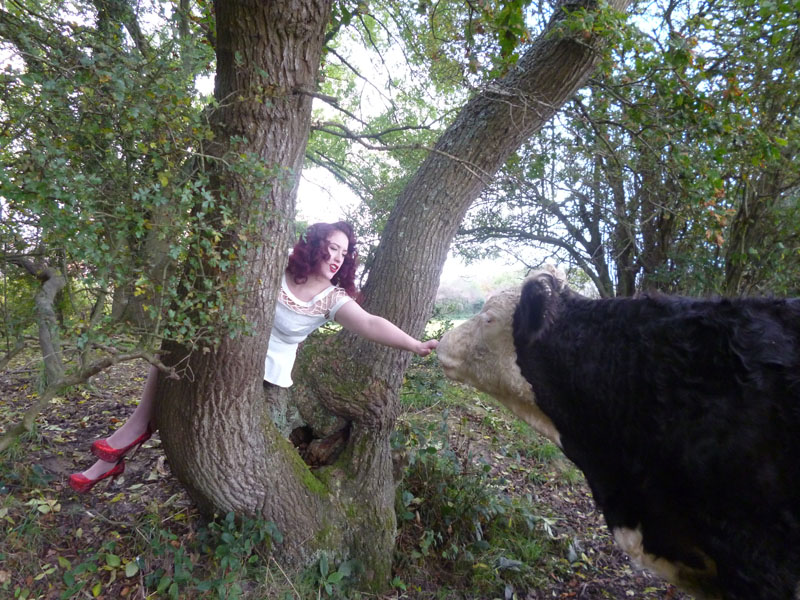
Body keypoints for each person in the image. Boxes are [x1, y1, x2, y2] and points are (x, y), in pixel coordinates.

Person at [69, 221, 438, 492]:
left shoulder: (333, 298)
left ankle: (123, 443)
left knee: (182, 372)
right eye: (332, 247)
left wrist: (415, 345)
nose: (338, 258)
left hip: (264, 373)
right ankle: (129, 436)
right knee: (175, 345)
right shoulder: (278, 266)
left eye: (344, 252)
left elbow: (371, 323)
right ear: (314, 245)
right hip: (232, 347)